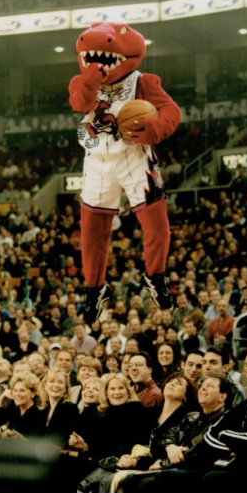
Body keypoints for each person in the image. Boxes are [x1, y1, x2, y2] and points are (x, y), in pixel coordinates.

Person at [70, 23, 181, 325]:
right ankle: (95, 289)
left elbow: (172, 112)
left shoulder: (142, 81)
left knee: (156, 226)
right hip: (96, 161)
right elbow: (80, 102)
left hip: (134, 157)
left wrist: (156, 128)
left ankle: (155, 275)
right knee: (93, 234)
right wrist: (90, 81)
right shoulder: (80, 82)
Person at [119, 375, 232, 493]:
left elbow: (198, 449)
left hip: (199, 468)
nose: (203, 388)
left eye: (210, 386)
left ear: (222, 396)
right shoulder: (192, 417)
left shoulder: (225, 420)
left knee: (150, 482)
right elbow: (168, 436)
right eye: (202, 385)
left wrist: (164, 463)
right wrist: (170, 447)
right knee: (129, 480)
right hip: (177, 466)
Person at [38, 368, 79, 449]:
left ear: (65, 388)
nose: (56, 385)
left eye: (60, 382)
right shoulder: (42, 410)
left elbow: (65, 438)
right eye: (52, 381)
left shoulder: (70, 408)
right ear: (45, 386)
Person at [0, 373, 42, 439]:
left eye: (22, 390)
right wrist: (0, 401)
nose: (17, 394)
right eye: (15, 390)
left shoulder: (38, 414)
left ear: (33, 393)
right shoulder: (16, 411)